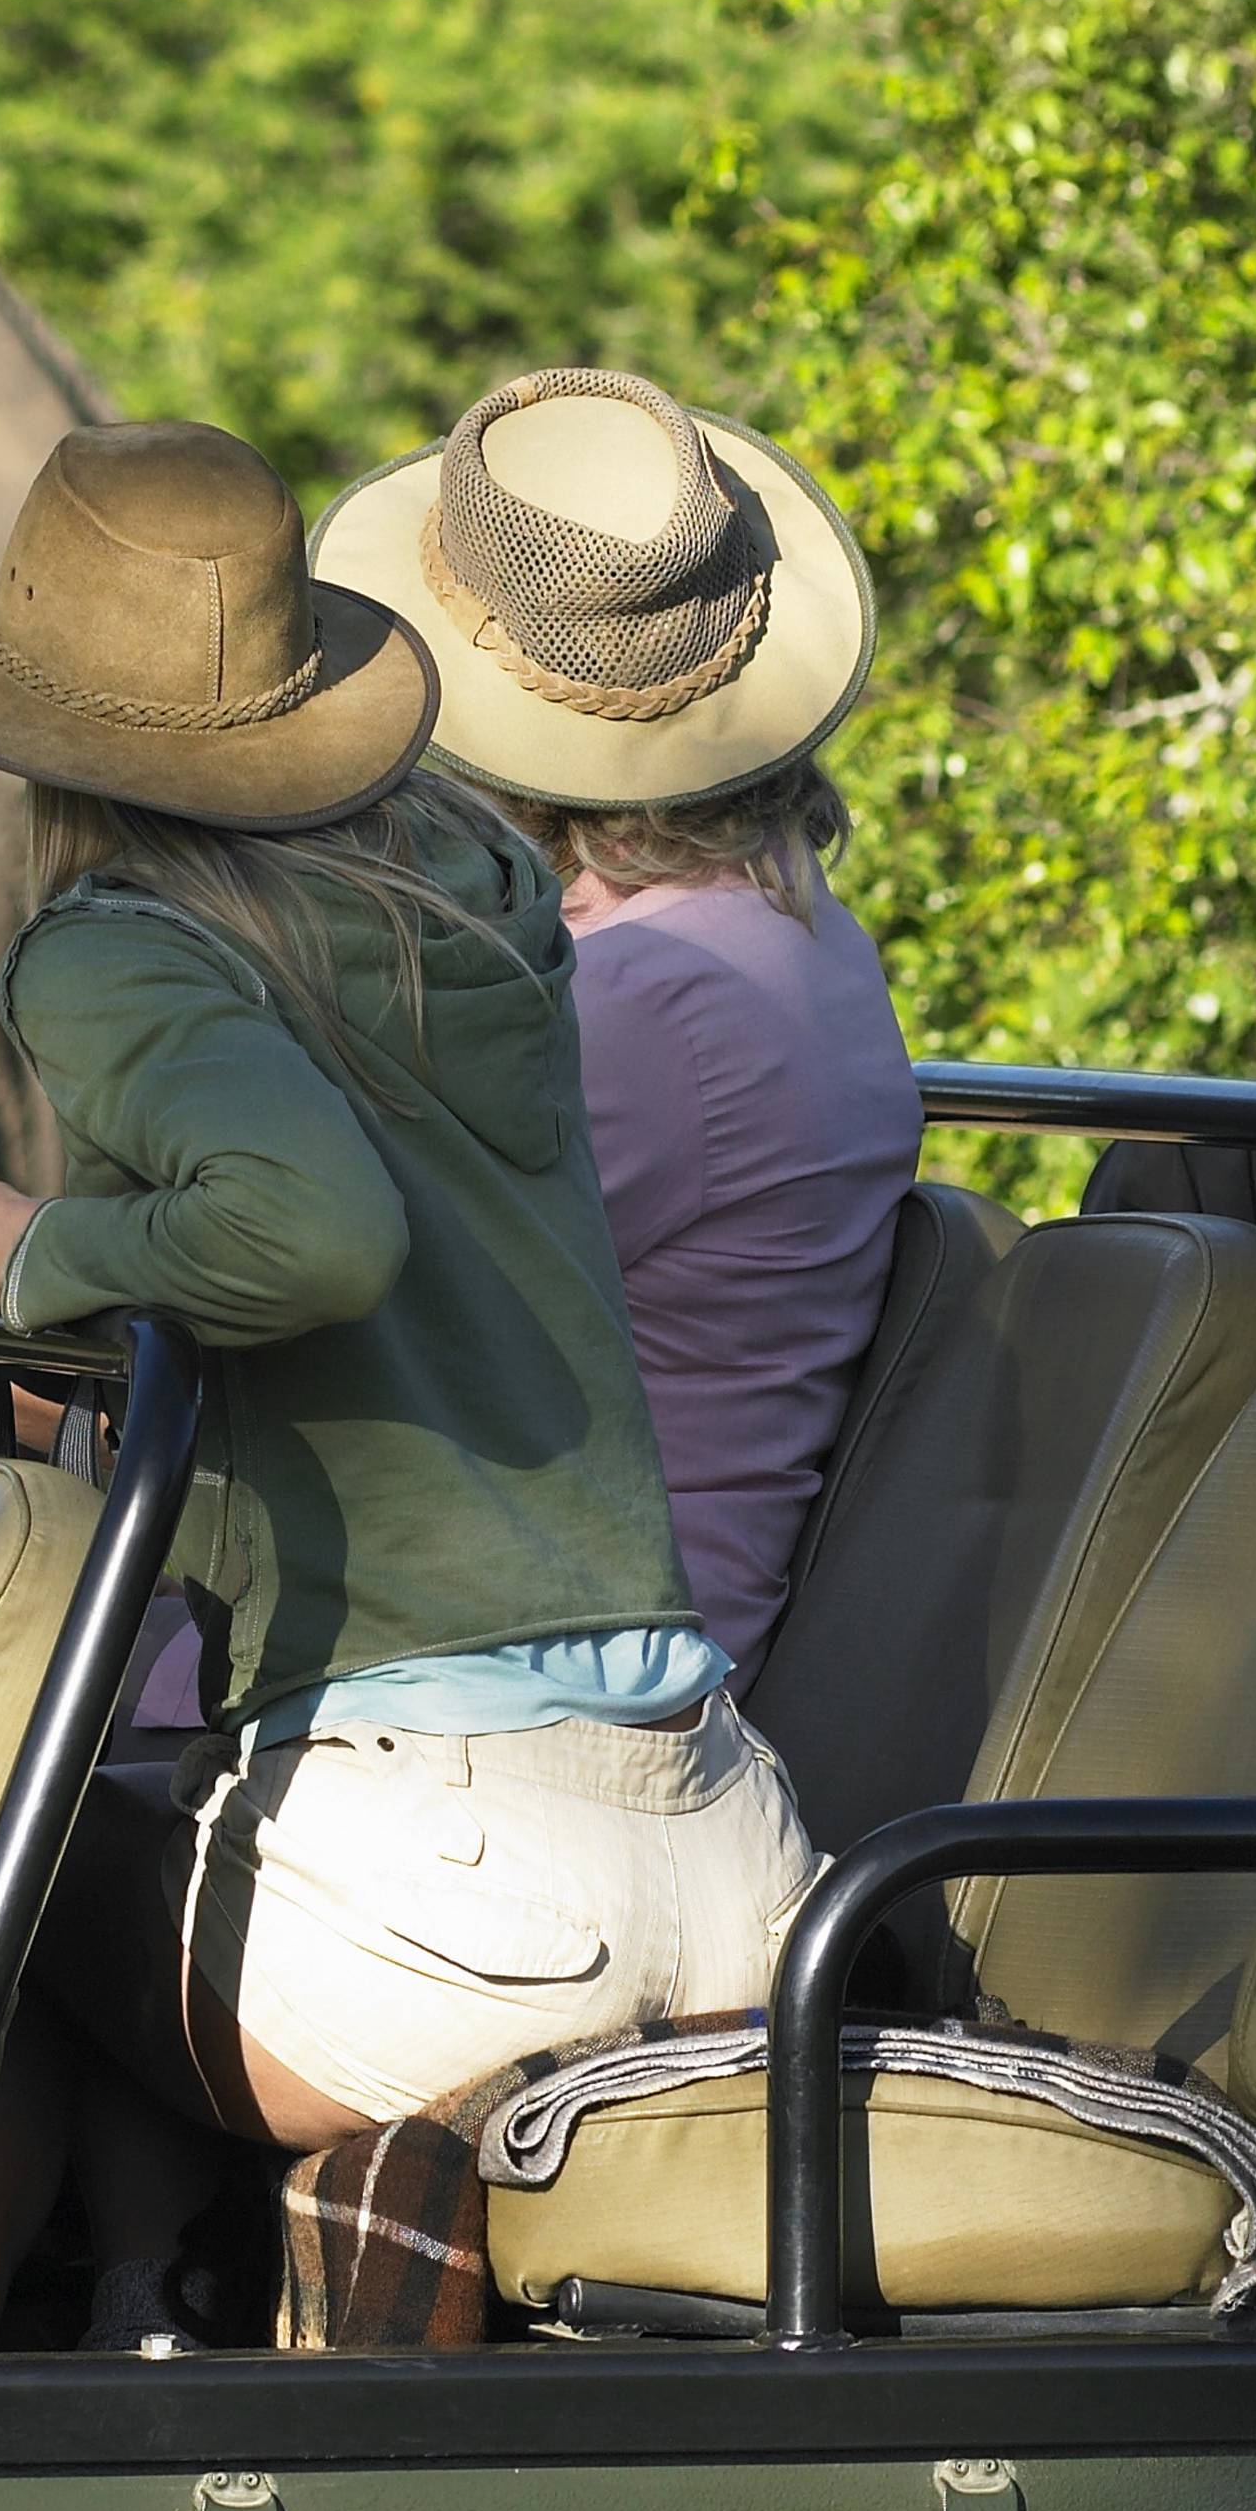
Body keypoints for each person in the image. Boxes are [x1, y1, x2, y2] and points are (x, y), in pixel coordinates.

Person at [0, 419, 818, 2347]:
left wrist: (17, 1253)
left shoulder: (115, 941)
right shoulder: (470, 892)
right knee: (108, 1833)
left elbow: (316, 1232)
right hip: (724, 1849)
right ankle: (177, 2305)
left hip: (445, 1916)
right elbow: (336, 1203)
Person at [312, 365, 916, 1662]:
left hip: (513, 1672)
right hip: (528, 1620)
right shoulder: (768, 925)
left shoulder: (646, 1003)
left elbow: (312, 1330)